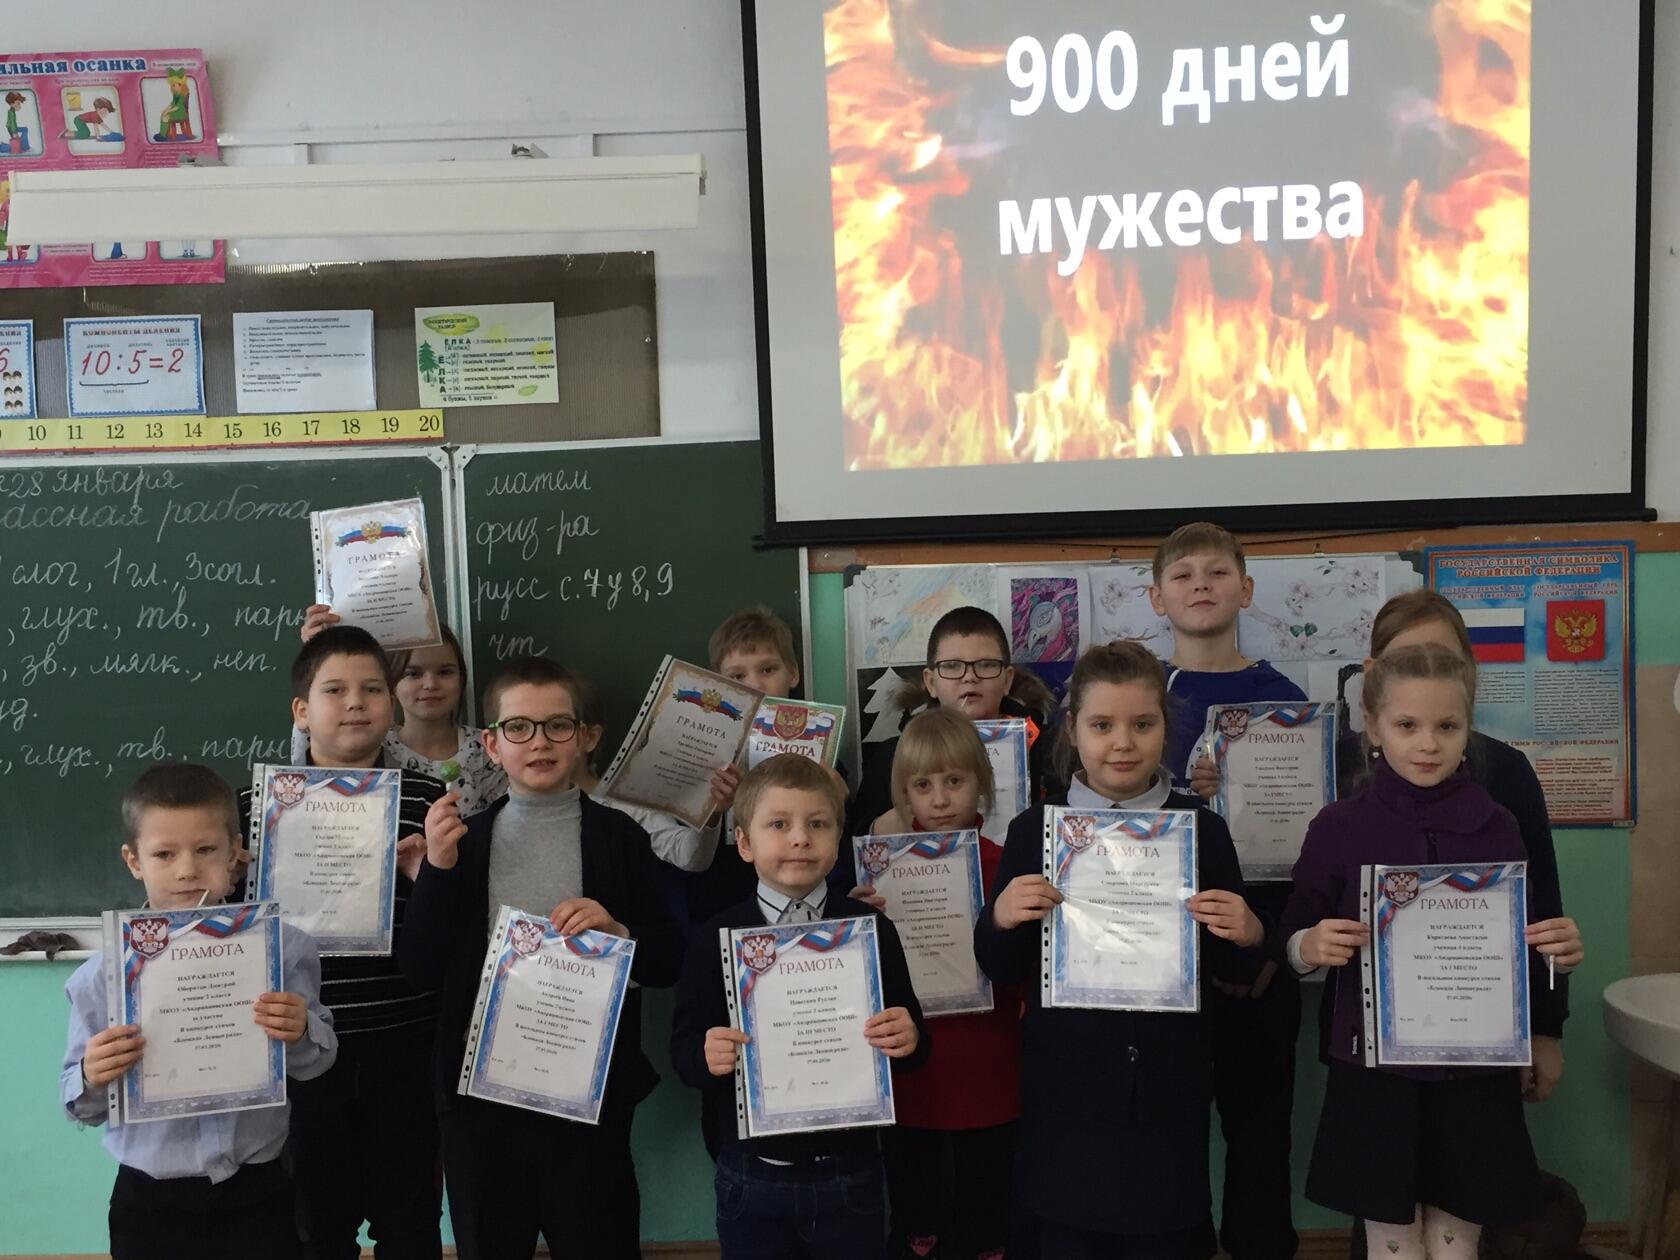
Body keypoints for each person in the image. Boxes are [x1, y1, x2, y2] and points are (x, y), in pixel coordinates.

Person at [1278, 643, 1584, 1260]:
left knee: (1456, 1242)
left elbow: (1522, 941)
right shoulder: (1339, 826)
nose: (1428, 744)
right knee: (1391, 1240)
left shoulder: (1497, 824)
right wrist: (1309, 944)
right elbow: (1292, 938)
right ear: (1374, 727)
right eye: (1407, 725)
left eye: (1447, 727)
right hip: (1375, 1075)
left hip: (1475, 1074)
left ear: (1468, 728)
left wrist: (1556, 952)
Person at [975, 641, 1263, 1258]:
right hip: (1065, 1092)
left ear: (1166, 730)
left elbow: (1235, 971)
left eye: (1142, 724)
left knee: (1164, 1238)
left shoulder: (1202, 830)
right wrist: (1000, 918)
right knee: (1066, 1238)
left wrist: (1248, 933)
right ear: (1073, 729)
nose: (1123, 743)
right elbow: (999, 964)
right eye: (1102, 725)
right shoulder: (1035, 831)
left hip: (1168, 1090)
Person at [399, 656, 682, 1259]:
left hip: (590, 1104)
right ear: (491, 745)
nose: (540, 742)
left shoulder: (620, 839)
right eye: (519, 727)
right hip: (480, 1107)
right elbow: (421, 969)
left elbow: (670, 960)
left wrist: (620, 934)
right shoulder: (464, 843)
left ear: (585, 737)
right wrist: (439, 872)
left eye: (558, 726)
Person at [61, 763, 337, 1259]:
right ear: (133, 861)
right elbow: (79, 1104)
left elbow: (317, 1062)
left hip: (258, 1191)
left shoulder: (285, 951)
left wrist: (299, 1033)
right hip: (150, 1199)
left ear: (234, 852)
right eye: (164, 854)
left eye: (206, 849)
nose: (186, 869)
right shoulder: (102, 976)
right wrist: (92, 1075)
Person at [671, 753, 930, 1259]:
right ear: (744, 842)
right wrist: (706, 1056)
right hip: (752, 1173)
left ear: (838, 837)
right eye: (778, 824)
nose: (799, 838)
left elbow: (913, 1043)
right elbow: (684, 1054)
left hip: (851, 1170)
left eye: (817, 824)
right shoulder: (714, 938)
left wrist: (910, 1037)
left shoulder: (871, 930)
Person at [239, 624, 445, 1259]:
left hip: (404, 1043)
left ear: (392, 704)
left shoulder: (429, 800)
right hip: (298, 1051)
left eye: (372, 689)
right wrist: (231, 883)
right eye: (334, 690)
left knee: (409, 1224)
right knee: (314, 1228)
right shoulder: (256, 808)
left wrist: (432, 876)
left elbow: (452, 925)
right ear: (302, 711)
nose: (355, 702)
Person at [850, 708, 1019, 1260]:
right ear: (903, 792)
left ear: (982, 783)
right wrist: (855, 925)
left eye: (955, 781)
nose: (941, 799)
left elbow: (1023, 965)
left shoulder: (1008, 865)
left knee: (985, 1198)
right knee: (915, 1204)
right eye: (923, 786)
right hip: (913, 1061)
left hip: (988, 1053)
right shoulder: (877, 873)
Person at [849, 605, 1052, 840]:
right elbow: (848, 847)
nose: (970, 677)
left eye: (986, 664)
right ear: (930, 682)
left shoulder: (1046, 750)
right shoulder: (894, 755)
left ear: (1007, 680)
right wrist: (876, 829)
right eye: (952, 666)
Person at [298, 608, 507, 817]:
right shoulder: (369, 742)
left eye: (445, 672)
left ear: (461, 678)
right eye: (413, 674)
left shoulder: (486, 750)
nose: (430, 684)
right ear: (393, 684)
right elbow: (313, 743)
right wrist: (319, 647)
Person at [686, 605, 803, 924]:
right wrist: (718, 808)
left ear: (793, 673)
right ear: (718, 686)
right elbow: (692, 859)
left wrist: (835, 799)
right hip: (722, 904)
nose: (755, 686)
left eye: (768, 669)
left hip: (801, 901)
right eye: (737, 676)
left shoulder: (820, 756)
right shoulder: (703, 757)